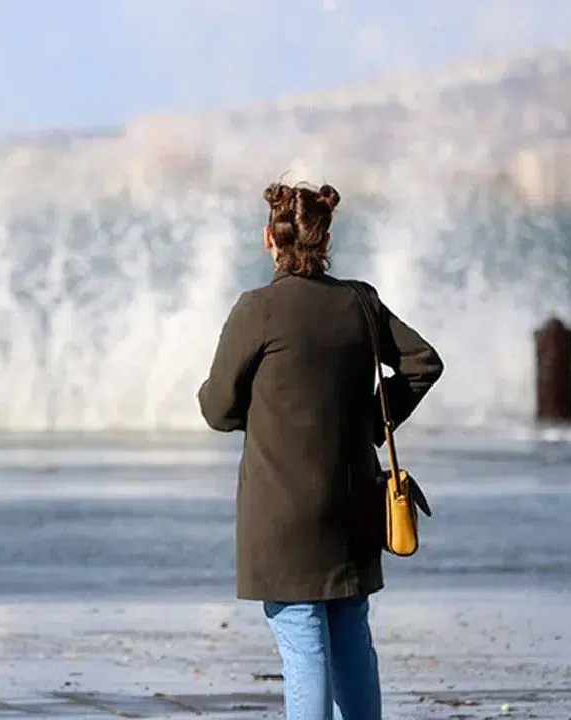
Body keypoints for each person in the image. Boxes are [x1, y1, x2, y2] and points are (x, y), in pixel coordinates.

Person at [196, 182, 444, 720]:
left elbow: (217, 410)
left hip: (281, 510)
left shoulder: (256, 309)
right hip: (352, 501)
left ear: (270, 239)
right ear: (325, 237)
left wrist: (265, 420)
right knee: (352, 635)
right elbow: (423, 363)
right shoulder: (360, 301)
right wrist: (374, 422)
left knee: (303, 645)